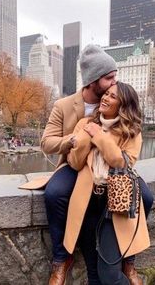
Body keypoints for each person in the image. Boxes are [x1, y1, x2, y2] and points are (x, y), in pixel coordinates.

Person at [42, 44, 118, 285]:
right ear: (93, 80)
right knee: (54, 194)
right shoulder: (63, 105)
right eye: (109, 77)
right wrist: (72, 139)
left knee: (144, 196)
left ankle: (129, 262)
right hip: (74, 165)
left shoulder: (115, 100)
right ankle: (61, 259)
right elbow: (46, 142)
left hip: (105, 166)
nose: (114, 81)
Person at [64, 81, 150, 284]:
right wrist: (85, 136)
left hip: (114, 206)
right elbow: (75, 163)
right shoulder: (85, 123)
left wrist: (100, 136)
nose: (105, 98)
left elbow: (120, 162)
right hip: (86, 202)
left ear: (123, 104)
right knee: (93, 272)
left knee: (109, 275)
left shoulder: (131, 131)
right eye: (106, 94)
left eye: (112, 96)